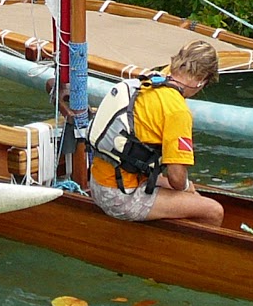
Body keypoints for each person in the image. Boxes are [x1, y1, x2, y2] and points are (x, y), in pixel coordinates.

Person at [88, 39, 224, 226]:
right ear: (200, 82)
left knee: (192, 194)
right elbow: (176, 179)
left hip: (97, 180)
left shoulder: (156, 79)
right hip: (119, 197)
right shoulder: (177, 111)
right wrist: (185, 187)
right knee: (213, 210)